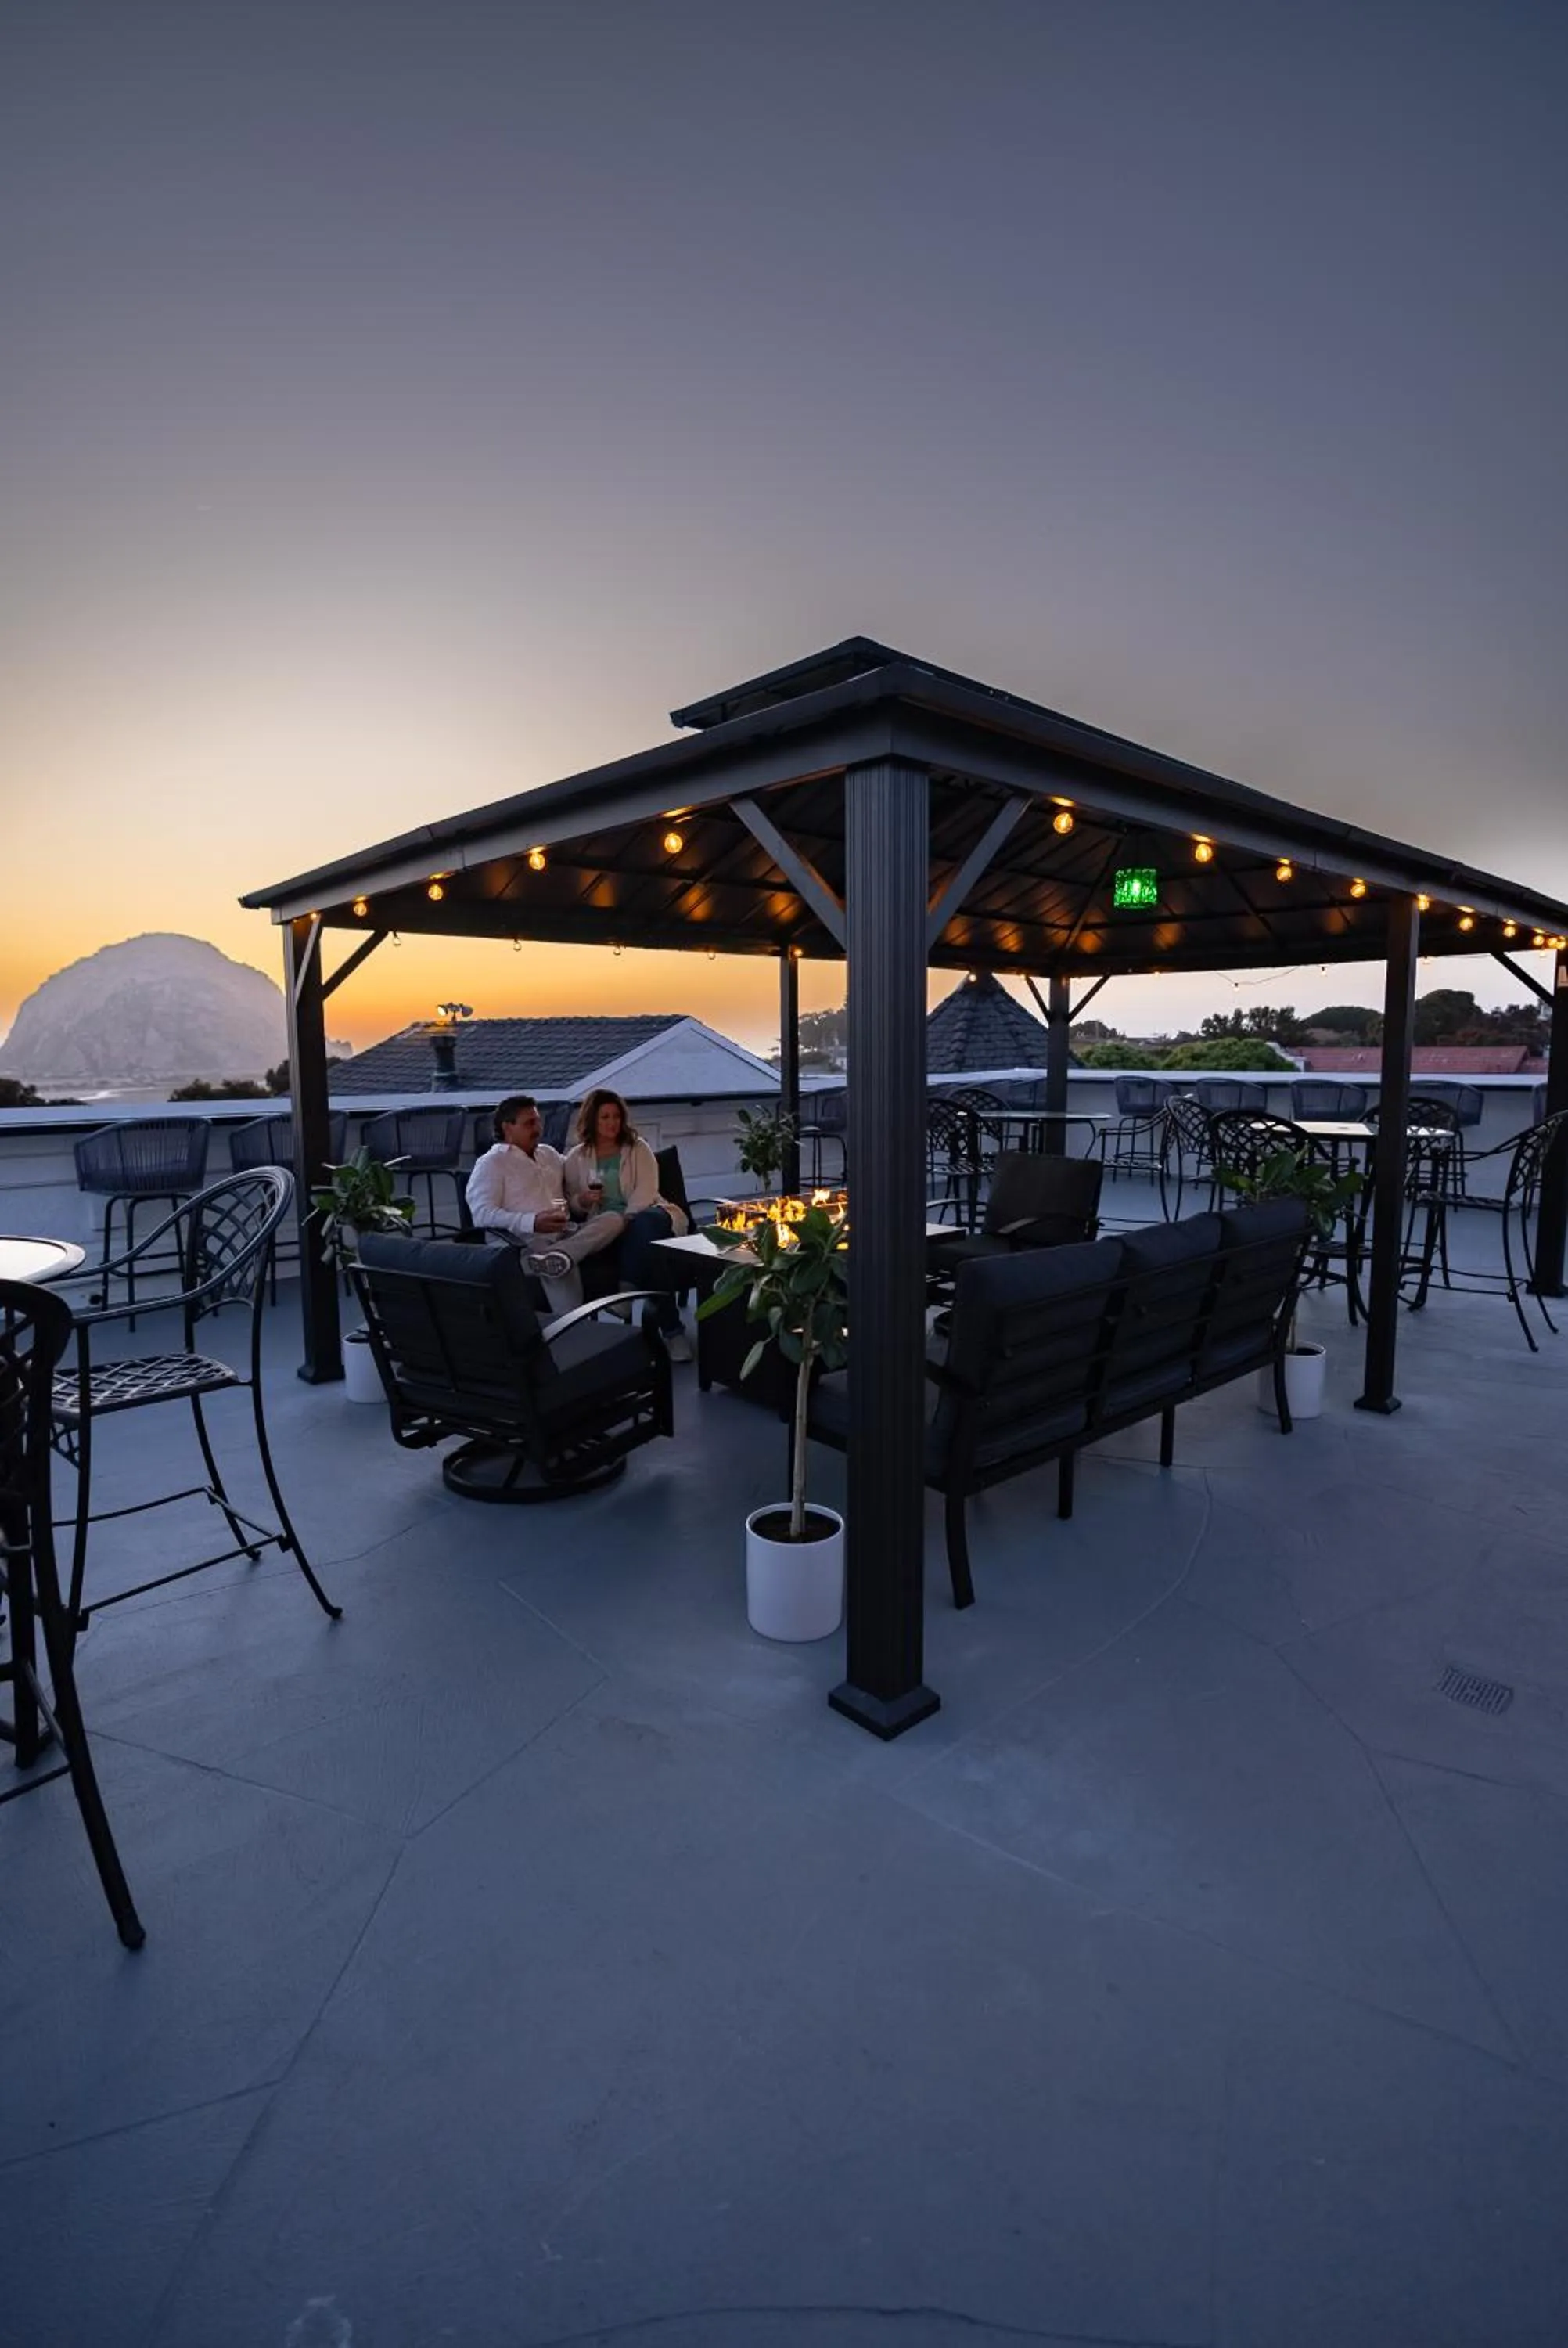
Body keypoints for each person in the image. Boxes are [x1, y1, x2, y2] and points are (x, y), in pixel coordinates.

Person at [562, 1088, 693, 1361]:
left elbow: (647, 1191)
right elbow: (572, 1202)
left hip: (650, 1215)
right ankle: (673, 1333)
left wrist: (626, 1218)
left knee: (642, 1227)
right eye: (604, 1117)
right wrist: (583, 1200)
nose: (612, 1123)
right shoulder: (576, 1157)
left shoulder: (637, 1148)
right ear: (592, 1121)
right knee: (651, 1254)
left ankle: (626, 1291)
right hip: (606, 1227)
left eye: (616, 1116)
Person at [466, 1094, 623, 1318]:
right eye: (530, 1123)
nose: (538, 1128)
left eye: (538, 1121)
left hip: (565, 1234)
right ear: (507, 1127)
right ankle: (570, 1328)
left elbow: (577, 1171)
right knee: (550, 1255)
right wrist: (532, 1222)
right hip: (523, 1243)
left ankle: (559, 1255)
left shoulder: (548, 1155)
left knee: (614, 1219)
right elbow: (481, 1214)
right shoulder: (491, 1164)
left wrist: (584, 1197)